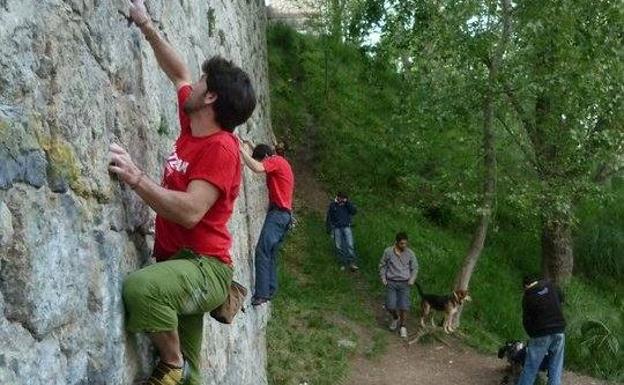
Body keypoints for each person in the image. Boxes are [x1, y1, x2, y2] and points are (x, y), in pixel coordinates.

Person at [108, 1, 256, 384]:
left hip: (205, 270)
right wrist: (146, 24)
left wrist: (137, 178)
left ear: (210, 99)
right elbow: (179, 73)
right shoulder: (194, 122)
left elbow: (191, 211)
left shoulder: (220, 149)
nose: (195, 83)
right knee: (193, 377)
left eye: (204, 81)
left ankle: (169, 364)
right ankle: (182, 370)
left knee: (142, 289)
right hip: (180, 263)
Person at [239, 142, 294, 306]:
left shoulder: (275, 161)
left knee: (262, 250)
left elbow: (257, 167)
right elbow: (261, 160)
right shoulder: (281, 163)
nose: (264, 165)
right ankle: (269, 289)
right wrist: (250, 145)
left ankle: (261, 294)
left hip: (278, 214)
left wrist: (242, 151)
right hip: (284, 216)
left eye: (263, 161)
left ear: (266, 158)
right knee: (270, 252)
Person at [516, 276, 566, 385]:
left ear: (525, 286)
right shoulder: (550, 285)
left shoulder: (528, 296)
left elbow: (526, 322)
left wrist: (532, 336)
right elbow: (562, 299)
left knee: (530, 368)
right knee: (556, 366)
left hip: (541, 333)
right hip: (559, 329)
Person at [378, 232, 418, 338]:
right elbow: (382, 265)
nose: (404, 246)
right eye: (402, 244)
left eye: (405, 244)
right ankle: (395, 318)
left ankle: (403, 326)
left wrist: (412, 279)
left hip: (405, 283)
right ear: (396, 242)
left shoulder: (410, 253)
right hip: (391, 282)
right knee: (390, 305)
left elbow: (415, 268)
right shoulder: (388, 251)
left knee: (404, 306)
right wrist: (383, 277)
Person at [325, 192, 358, 271]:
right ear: (338, 197)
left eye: (344, 198)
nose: (342, 200)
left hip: (347, 227)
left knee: (350, 244)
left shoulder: (347, 205)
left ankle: (352, 263)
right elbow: (329, 217)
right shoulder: (333, 205)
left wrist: (347, 203)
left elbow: (354, 211)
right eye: (341, 198)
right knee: (339, 246)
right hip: (336, 228)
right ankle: (342, 263)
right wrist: (329, 228)